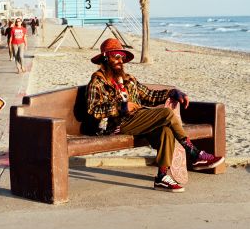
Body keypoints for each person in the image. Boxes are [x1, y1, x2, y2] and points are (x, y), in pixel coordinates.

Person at [86, 38, 224, 193]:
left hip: (138, 119)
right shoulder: (98, 80)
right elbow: (93, 109)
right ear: (106, 57)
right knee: (166, 113)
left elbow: (150, 95)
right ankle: (194, 152)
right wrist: (121, 107)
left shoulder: (129, 79)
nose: (120, 60)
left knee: (166, 131)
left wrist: (172, 92)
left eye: (122, 57)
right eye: (116, 56)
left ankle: (162, 177)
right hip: (118, 125)